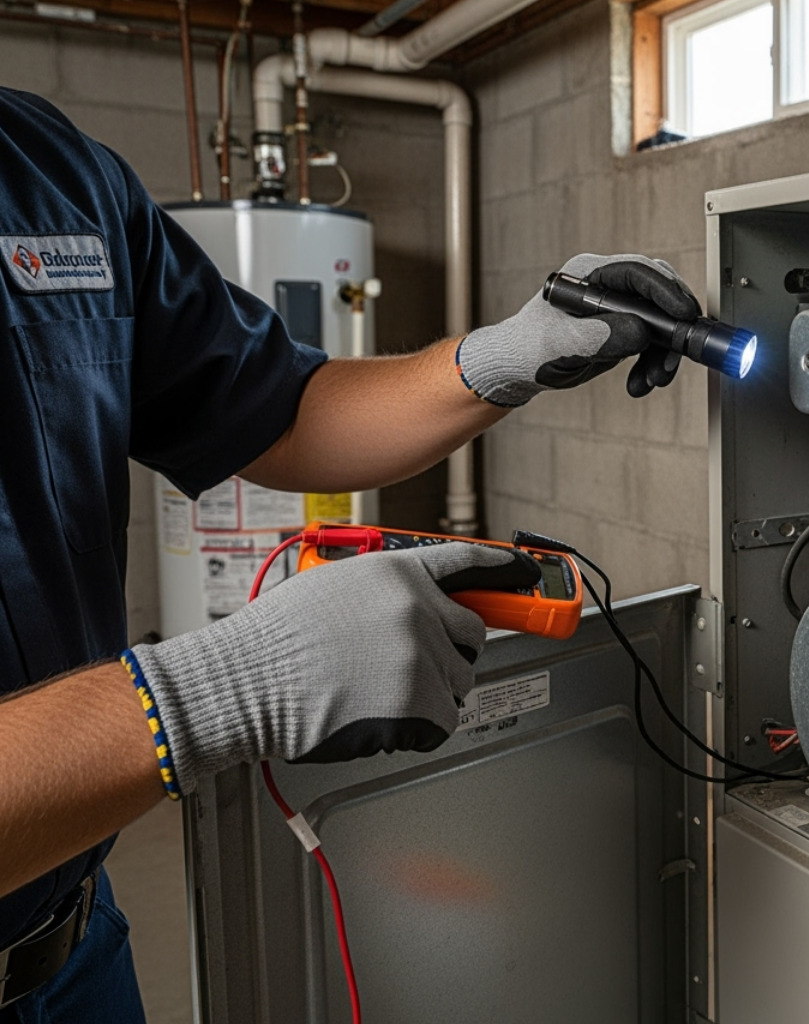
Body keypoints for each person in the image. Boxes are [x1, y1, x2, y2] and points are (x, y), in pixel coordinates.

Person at [0, 86, 703, 1022]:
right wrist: (224, 688)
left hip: (73, 942)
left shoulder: (48, 171)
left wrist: (501, 356)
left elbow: (279, 407)